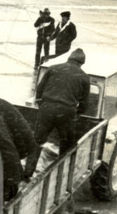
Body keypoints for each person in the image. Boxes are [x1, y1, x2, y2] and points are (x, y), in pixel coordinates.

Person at [23, 48, 89, 178]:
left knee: (37, 141)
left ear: (69, 58)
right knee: (66, 145)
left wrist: (42, 104)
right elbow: (84, 103)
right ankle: (61, 176)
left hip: (47, 108)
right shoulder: (84, 77)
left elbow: (40, 88)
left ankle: (27, 172)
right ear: (81, 63)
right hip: (66, 113)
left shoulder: (53, 68)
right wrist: (77, 113)